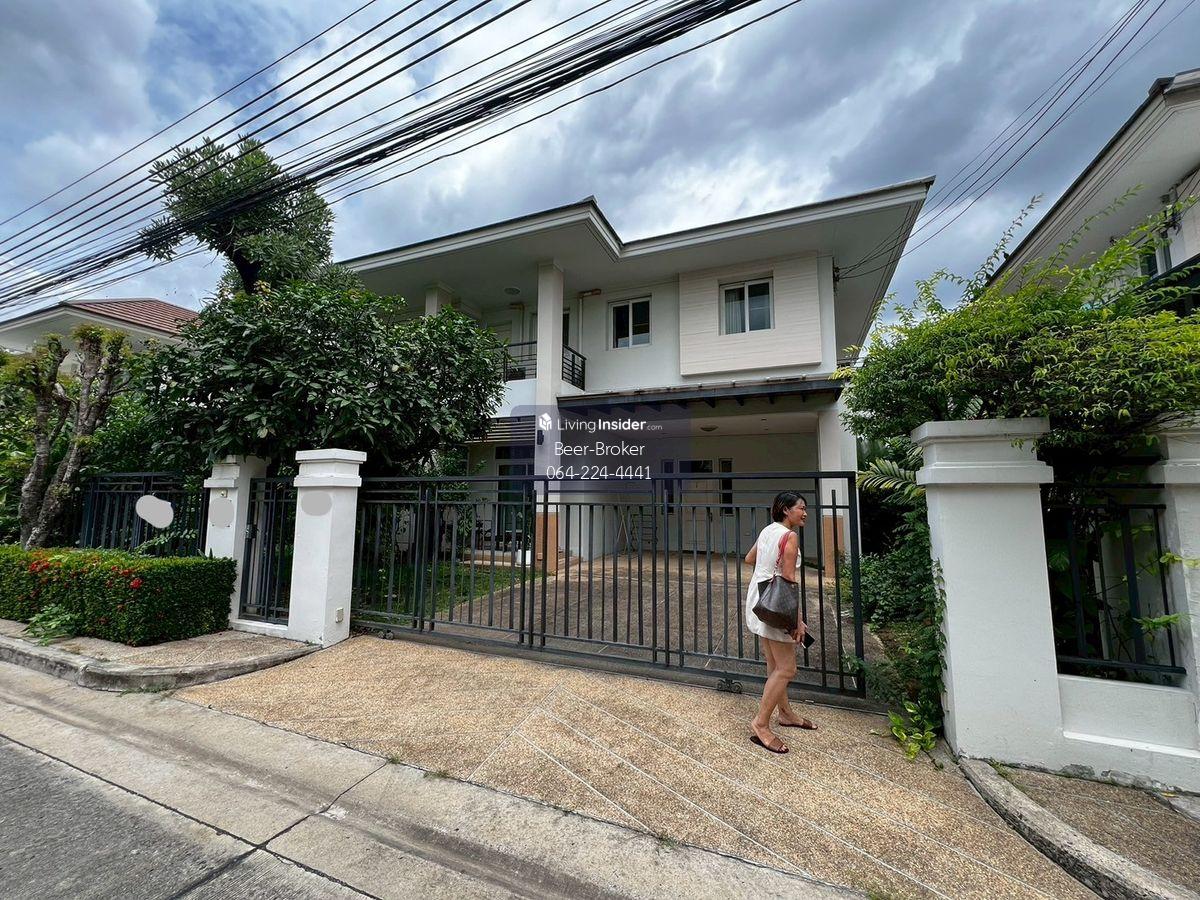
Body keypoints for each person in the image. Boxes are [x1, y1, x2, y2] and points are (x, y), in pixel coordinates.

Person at [743, 491, 816, 753]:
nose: (805, 513)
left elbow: (749, 559)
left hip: (759, 600)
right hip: (777, 605)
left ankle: (785, 713)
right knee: (787, 669)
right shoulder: (790, 536)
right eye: (801, 508)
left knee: (774, 664)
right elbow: (788, 579)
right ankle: (761, 724)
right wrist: (797, 620)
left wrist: (767, 569)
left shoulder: (767, 530)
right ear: (786, 510)